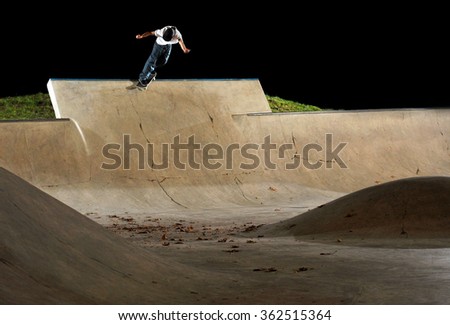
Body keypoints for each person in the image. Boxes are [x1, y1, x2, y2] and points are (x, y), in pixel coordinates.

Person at [135, 26, 191, 90]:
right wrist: (142, 36)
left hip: (168, 46)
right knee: (151, 60)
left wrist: (184, 49)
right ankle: (142, 79)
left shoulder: (178, 35)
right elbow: (150, 33)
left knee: (163, 61)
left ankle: (151, 71)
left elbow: (181, 43)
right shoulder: (161, 31)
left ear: (172, 37)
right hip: (158, 45)